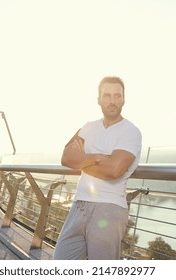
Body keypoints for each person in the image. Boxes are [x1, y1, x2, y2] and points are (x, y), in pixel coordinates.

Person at [53, 76, 142, 260]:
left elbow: (113, 171)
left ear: (124, 99)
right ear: (99, 99)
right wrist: (99, 158)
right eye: (107, 95)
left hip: (109, 209)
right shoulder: (88, 127)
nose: (112, 100)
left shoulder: (130, 131)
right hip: (79, 206)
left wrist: (82, 159)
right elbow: (66, 157)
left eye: (117, 96)